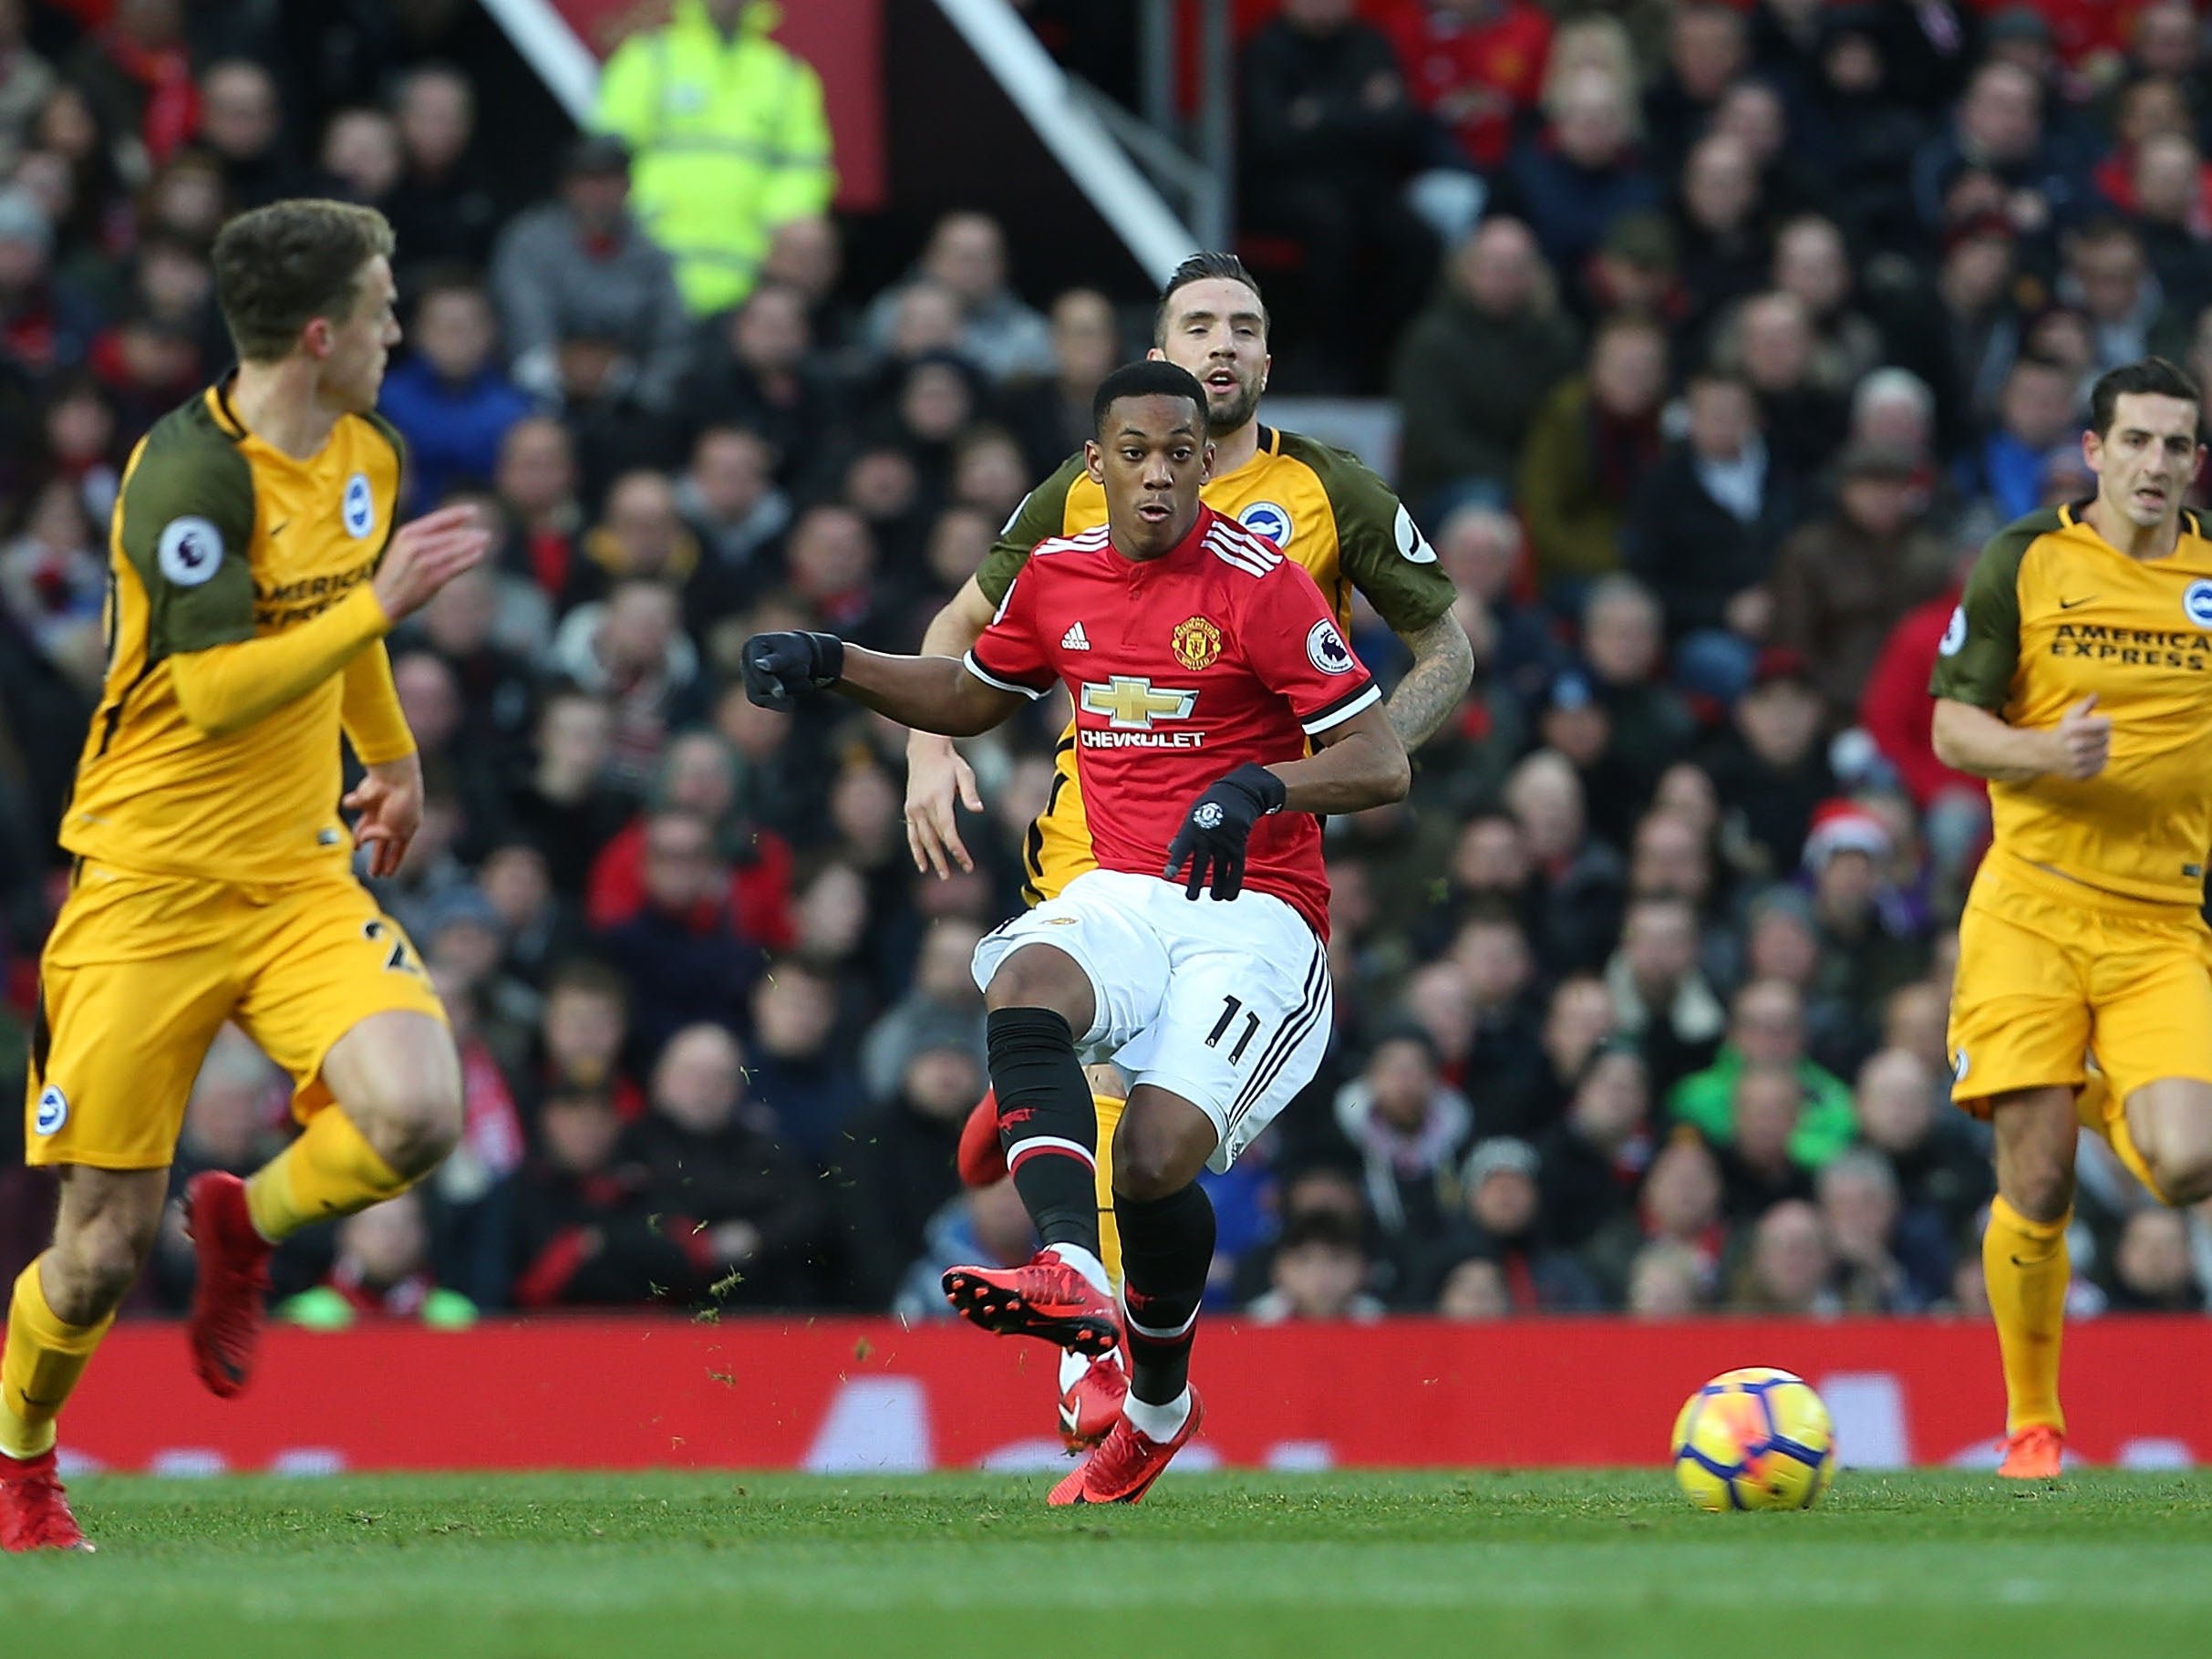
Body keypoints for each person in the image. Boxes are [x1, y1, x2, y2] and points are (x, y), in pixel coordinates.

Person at [739, 359, 1410, 1504]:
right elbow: (971, 696)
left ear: (1206, 461)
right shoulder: (1054, 574)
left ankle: (1155, 1403)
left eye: (1177, 454)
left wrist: (1258, 788)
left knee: (1152, 1160)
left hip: (1253, 915)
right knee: (1022, 976)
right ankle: (1062, 1263)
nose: (1156, 476)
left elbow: (1380, 758)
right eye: (1133, 454)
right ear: (1092, 466)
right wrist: (832, 660)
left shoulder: (1262, 586)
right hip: (1122, 890)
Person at [903, 252, 1470, 1439]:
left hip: (1237, 854)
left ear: (1266, 360)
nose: (1219, 344)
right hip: (1093, 840)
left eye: (1241, 327)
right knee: (1092, 1074)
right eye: (1195, 323)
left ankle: (1039, 1145)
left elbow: (1447, 652)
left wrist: (1335, 769)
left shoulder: (1331, 493)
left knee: (1149, 1124)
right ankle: (1091, 1373)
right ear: (1158, 350)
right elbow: (964, 624)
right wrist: (924, 748)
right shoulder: (1087, 479)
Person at [1, 199, 491, 1550]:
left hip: (294, 876)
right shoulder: (186, 476)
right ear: (322, 332)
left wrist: (392, 758)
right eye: (385, 307)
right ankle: (23, 1470)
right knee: (94, 1254)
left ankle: (246, 1221)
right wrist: (378, 603)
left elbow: (348, 624)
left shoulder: (366, 451)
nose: (401, 328)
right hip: (143, 887)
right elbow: (215, 691)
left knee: (415, 1114)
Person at [1928, 356, 2212, 1479]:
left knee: (2187, 1165)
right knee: (2034, 1182)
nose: (2154, 463)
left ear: (2195, 461)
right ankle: (2031, 1424)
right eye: (2134, 440)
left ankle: (2098, 1096)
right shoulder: (2024, 560)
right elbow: (1953, 730)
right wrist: (2043, 750)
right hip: (2030, 908)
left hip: (2159, 926)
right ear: (2092, 451)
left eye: (2175, 444)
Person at [591, 0, 835, 316]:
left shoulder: (786, 74)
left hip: (748, 274)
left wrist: (776, 221)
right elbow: (607, 156)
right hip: (648, 261)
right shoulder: (649, 56)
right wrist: (643, 213)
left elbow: (804, 166)